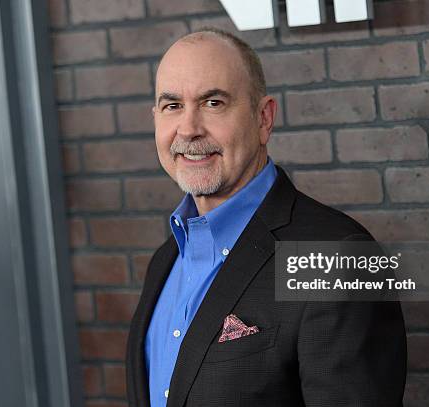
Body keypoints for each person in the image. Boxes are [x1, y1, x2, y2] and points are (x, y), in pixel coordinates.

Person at [126, 28, 407, 407]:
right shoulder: (166, 260)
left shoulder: (335, 259)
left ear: (263, 118)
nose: (189, 129)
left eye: (213, 103)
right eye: (172, 106)